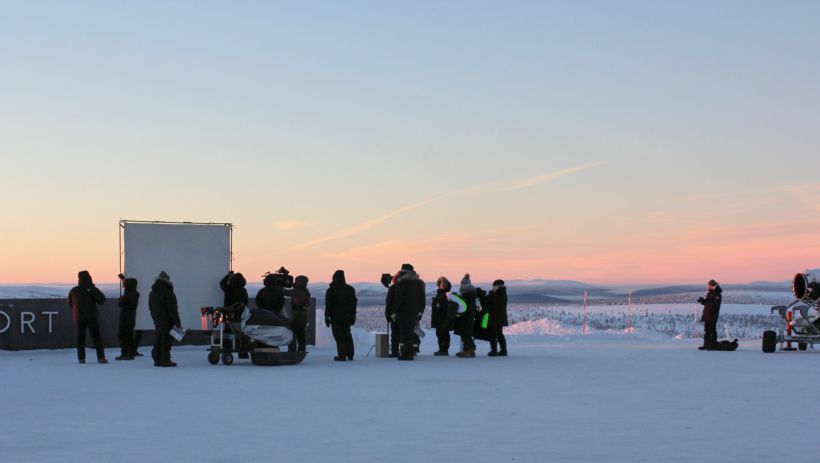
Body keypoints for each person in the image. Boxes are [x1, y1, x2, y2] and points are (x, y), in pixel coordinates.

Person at [68, 270, 108, 364]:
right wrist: (92, 289)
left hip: (79, 317)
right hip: (92, 317)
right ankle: (101, 357)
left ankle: (81, 358)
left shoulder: (74, 290)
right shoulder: (92, 289)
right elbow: (102, 300)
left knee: (80, 338)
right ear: (89, 277)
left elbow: (70, 303)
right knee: (96, 338)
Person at [392, 264, 426, 361]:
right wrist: (420, 312)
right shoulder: (419, 284)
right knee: (411, 332)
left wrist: (394, 312)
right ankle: (409, 351)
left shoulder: (402, 283)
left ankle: (406, 354)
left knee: (404, 333)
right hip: (414, 313)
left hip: (403, 313)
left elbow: (398, 299)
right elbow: (422, 300)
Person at [149, 271, 181, 367]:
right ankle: (165, 360)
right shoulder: (168, 293)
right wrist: (177, 322)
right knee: (166, 341)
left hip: (157, 320)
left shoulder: (152, 293)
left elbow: (150, 308)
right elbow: (173, 309)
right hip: (168, 321)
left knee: (158, 339)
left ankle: (157, 359)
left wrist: (155, 318)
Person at [325, 270, 357, 361]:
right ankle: (350, 354)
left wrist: (327, 317)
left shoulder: (331, 290)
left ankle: (342, 355)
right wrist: (353, 316)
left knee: (339, 336)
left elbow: (328, 305)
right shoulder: (350, 289)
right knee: (347, 334)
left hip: (336, 317)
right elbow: (354, 304)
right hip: (347, 317)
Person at [221, 271, 249, 357]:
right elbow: (246, 302)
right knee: (242, 332)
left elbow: (222, 283)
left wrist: (229, 275)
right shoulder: (243, 290)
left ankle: (226, 348)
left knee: (227, 331)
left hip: (227, 313)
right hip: (239, 314)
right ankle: (243, 352)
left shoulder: (228, 288)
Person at [480, 279, 509, 357]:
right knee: (500, 334)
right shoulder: (503, 294)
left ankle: (494, 351)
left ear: (496, 286)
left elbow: (484, 303)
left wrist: (482, 296)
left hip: (493, 317)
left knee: (492, 335)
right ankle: (503, 350)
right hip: (501, 317)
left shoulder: (494, 295)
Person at [116, 274, 140, 361]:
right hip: (131, 319)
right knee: (129, 336)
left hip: (124, 318)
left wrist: (120, 299)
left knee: (122, 336)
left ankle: (125, 354)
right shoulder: (136, 294)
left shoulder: (127, 295)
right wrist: (123, 279)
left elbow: (120, 304)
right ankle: (130, 353)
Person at [454, 274, 477, 358]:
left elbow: (465, 307)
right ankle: (468, 350)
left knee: (465, 334)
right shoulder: (471, 295)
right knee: (465, 334)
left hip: (466, 317)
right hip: (467, 316)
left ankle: (470, 351)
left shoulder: (467, 295)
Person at [698, 279, 723, 351]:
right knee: (707, 330)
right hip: (707, 314)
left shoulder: (717, 294)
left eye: (709, 285)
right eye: (708, 285)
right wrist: (702, 301)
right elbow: (708, 302)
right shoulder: (710, 293)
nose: (708, 287)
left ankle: (712, 346)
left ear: (713, 286)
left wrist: (705, 302)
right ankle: (706, 345)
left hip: (712, 315)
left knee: (712, 330)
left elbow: (714, 305)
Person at [431, 276, 452, 356]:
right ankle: (442, 349)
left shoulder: (446, 295)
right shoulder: (439, 294)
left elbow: (445, 308)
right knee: (440, 334)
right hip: (439, 318)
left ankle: (444, 350)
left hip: (442, 319)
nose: (442, 284)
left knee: (443, 334)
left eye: (444, 283)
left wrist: (443, 319)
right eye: (440, 283)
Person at [289, 275, 311, 352]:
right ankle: (301, 349)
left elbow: (287, 293)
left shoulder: (298, 290)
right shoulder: (305, 290)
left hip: (297, 314)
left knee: (293, 333)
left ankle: (292, 350)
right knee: (301, 333)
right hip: (303, 314)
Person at [381, 273, 400, 357]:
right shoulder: (410, 286)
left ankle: (395, 351)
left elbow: (389, 302)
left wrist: (388, 315)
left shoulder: (393, 288)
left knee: (395, 333)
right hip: (407, 314)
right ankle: (407, 351)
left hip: (394, 314)